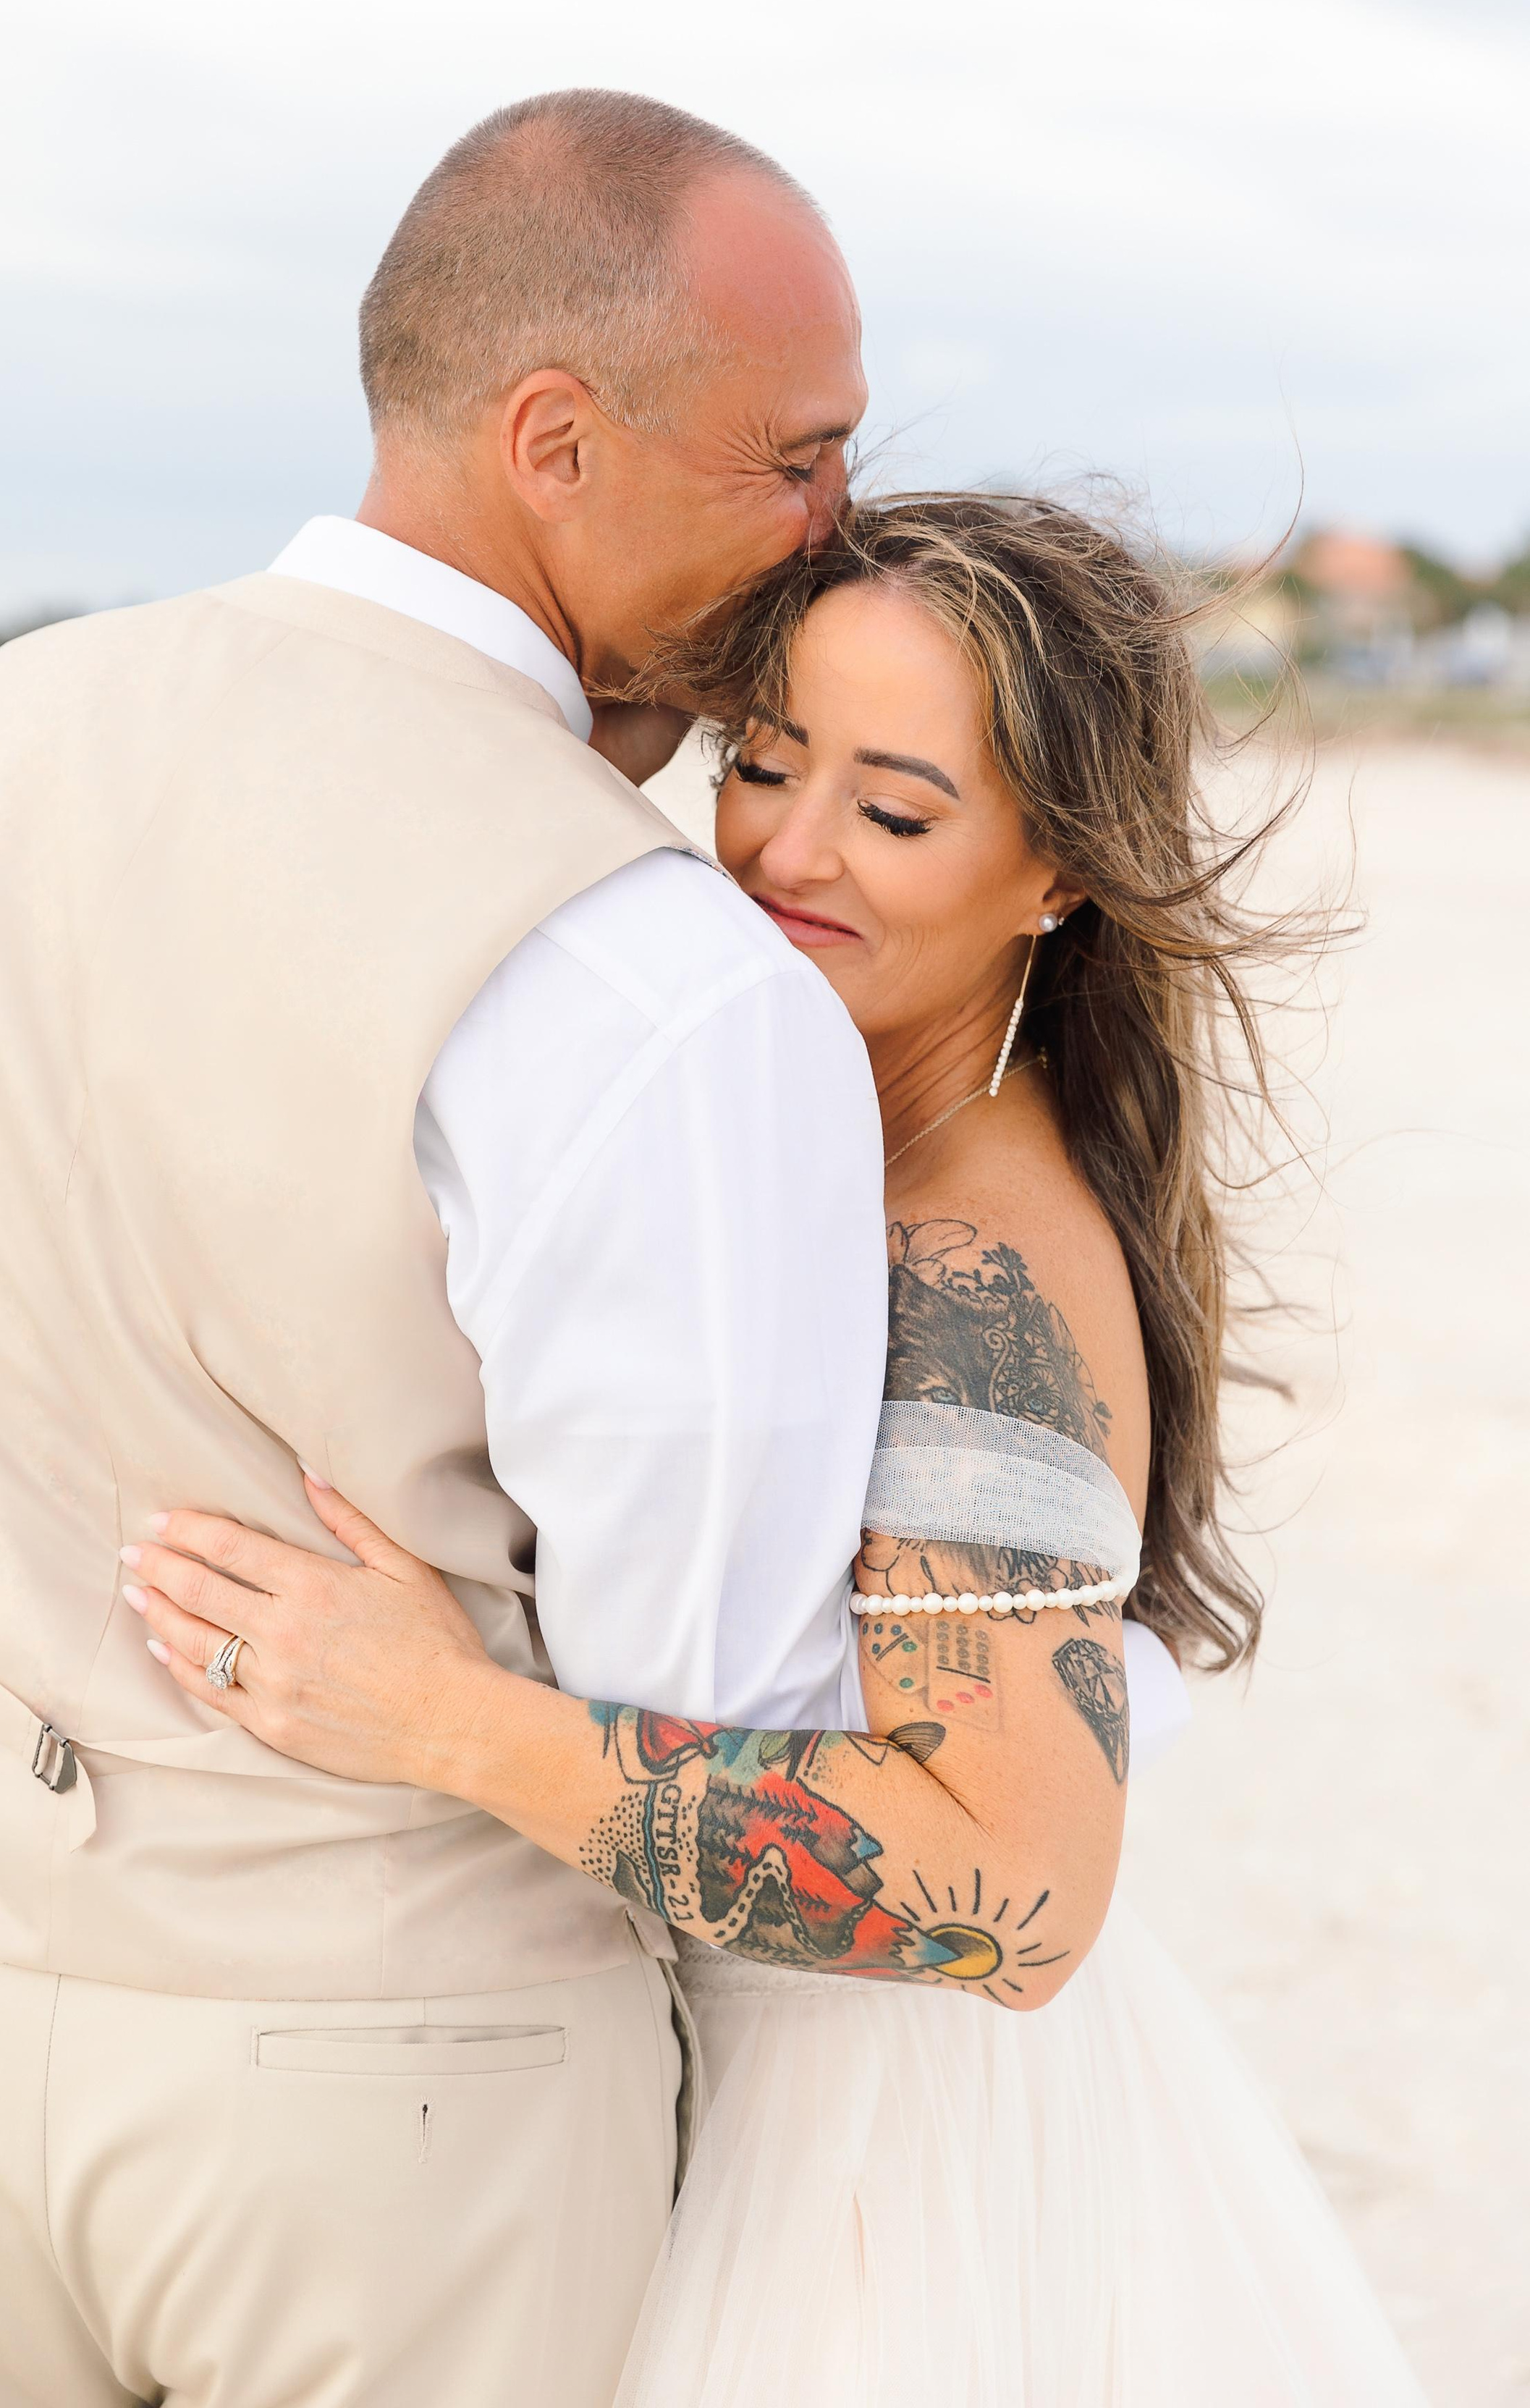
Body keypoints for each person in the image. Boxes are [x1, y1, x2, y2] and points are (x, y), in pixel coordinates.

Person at [0, 90, 889, 2408]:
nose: (840, 537)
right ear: (556, 435)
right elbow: (703, 1697)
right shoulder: (653, 976)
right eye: (799, 461)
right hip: (414, 2110)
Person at [120, 492, 1429, 2404]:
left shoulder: (981, 1261)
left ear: (1053, 872)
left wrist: (437, 1717)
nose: (783, 853)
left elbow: (1022, 1898)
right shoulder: (839, 1139)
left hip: (882, 2181)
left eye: (894, 814)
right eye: (763, 764)